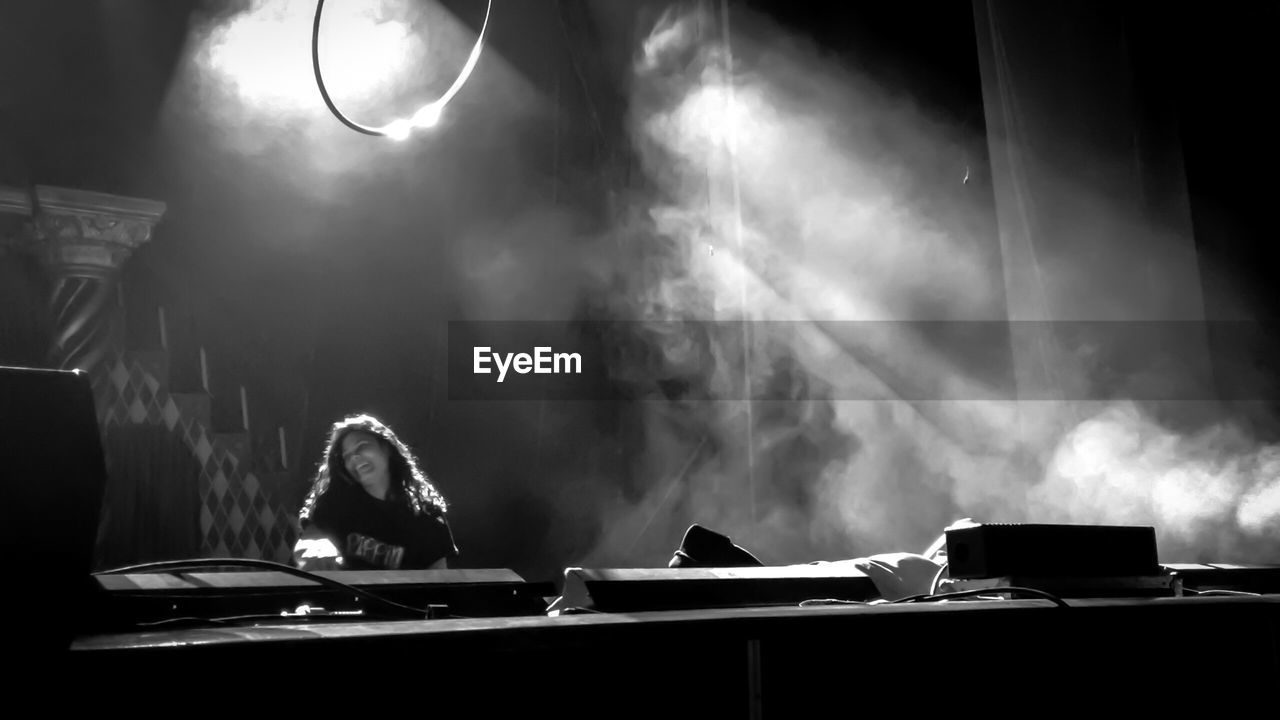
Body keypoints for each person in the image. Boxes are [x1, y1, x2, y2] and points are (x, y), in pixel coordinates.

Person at [293, 414, 458, 571]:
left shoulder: (428, 514)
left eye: (362, 446)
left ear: (386, 449)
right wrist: (314, 549)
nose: (355, 457)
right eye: (347, 456)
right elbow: (310, 540)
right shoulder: (334, 504)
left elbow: (439, 577)